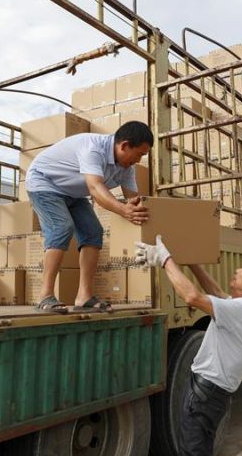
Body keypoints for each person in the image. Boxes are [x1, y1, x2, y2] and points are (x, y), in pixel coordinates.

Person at [134, 236, 242, 456]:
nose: (237, 270)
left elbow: (192, 297)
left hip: (206, 396)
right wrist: (192, 263)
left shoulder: (241, 312)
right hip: (210, 396)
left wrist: (165, 259)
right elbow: (216, 291)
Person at [26, 121, 152, 313]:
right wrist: (123, 210)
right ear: (124, 145)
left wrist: (146, 217)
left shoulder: (127, 168)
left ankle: (84, 297)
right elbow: (95, 188)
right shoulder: (93, 149)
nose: (139, 160)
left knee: (93, 232)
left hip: (73, 192)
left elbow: (133, 199)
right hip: (44, 182)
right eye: (139, 154)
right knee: (62, 227)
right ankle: (45, 296)